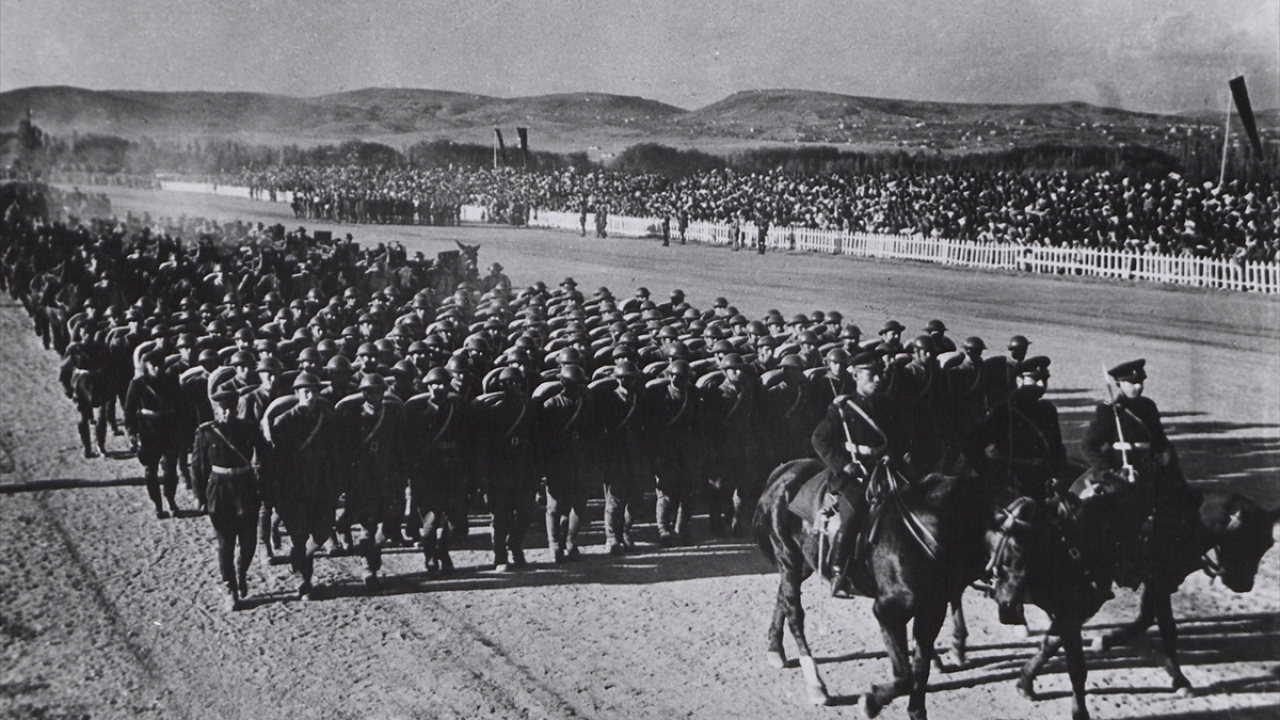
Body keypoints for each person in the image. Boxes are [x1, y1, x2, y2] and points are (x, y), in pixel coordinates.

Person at [810, 348, 906, 597]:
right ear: (856, 376)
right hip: (854, 476)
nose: (878, 379)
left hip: (885, 471)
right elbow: (820, 439)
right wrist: (844, 464)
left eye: (880, 374)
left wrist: (892, 454)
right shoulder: (842, 408)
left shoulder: (890, 405)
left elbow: (902, 437)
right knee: (854, 514)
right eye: (871, 375)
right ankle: (839, 572)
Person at [192, 387, 268, 611]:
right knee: (226, 542)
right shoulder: (205, 432)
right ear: (215, 409)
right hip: (219, 490)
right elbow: (198, 467)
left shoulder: (249, 429)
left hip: (246, 487)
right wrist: (199, 495)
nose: (227, 413)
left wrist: (264, 483)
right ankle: (230, 589)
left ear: (237, 408)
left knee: (249, 542)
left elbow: (264, 455)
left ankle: (241, 571)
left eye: (231, 408)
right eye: (222, 409)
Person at [265, 372, 338, 600]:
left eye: (315, 391)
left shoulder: (325, 418)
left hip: (320, 483)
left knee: (323, 531)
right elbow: (275, 461)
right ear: (296, 394)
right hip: (294, 487)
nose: (311, 396)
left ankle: (299, 558)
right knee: (299, 534)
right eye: (306, 391)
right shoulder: (285, 421)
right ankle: (304, 581)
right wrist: (277, 492)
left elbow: (335, 452)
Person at [336, 373, 404, 587]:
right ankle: (369, 567)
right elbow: (345, 450)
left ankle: (373, 551)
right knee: (368, 525)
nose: (373, 396)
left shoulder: (391, 415)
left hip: (387, 474)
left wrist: (403, 475)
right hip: (363, 477)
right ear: (362, 394)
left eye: (377, 392)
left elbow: (399, 447)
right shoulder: (354, 418)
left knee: (391, 520)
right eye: (368, 392)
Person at [404, 368, 474, 577]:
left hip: (453, 470)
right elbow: (411, 445)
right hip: (428, 472)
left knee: (455, 520)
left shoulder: (458, 409)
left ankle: (443, 551)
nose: (440, 388)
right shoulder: (417, 412)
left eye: (444, 383)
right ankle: (430, 556)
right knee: (431, 519)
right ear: (428, 386)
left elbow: (467, 440)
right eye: (435, 384)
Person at [969, 356, 1067, 502]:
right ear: (1019, 381)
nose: (1041, 385)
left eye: (1045, 379)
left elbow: (1056, 447)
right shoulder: (1004, 411)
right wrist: (990, 474)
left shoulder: (1047, 409)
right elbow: (972, 445)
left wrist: (1055, 475)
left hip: (1041, 482)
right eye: (1035, 379)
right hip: (1010, 485)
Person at [474, 367, 538, 571]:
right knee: (501, 515)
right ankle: (500, 555)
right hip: (499, 470)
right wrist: (484, 477)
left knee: (525, 514)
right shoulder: (492, 409)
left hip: (523, 468)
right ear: (500, 385)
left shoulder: (529, 408)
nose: (513, 387)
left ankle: (516, 544)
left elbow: (538, 441)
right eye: (508, 383)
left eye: (517, 383)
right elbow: (484, 446)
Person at [536, 365, 597, 562]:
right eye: (571, 384)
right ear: (562, 383)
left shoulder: (586, 404)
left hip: (581, 460)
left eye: (578, 384)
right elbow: (544, 438)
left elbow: (592, 434)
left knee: (579, 504)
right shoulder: (551, 405)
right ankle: (554, 545)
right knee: (554, 506)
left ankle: (570, 541)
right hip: (558, 460)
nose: (575, 388)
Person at [644, 360, 702, 546]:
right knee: (666, 494)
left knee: (689, 492)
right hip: (666, 449)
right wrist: (657, 454)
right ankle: (663, 530)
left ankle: (682, 528)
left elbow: (697, 424)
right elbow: (653, 427)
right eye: (676, 377)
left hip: (687, 449)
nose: (680, 381)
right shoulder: (659, 396)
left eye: (683, 378)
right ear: (669, 377)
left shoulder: (692, 394)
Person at [124, 349, 183, 518]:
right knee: (151, 469)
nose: (156, 368)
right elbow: (129, 410)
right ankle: (157, 505)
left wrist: (179, 429)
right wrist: (132, 432)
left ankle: (171, 500)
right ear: (146, 366)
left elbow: (179, 406)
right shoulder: (138, 384)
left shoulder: (171, 381)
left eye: (159, 365)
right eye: (152, 365)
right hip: (147, 429)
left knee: (171, 468)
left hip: (168, 427)